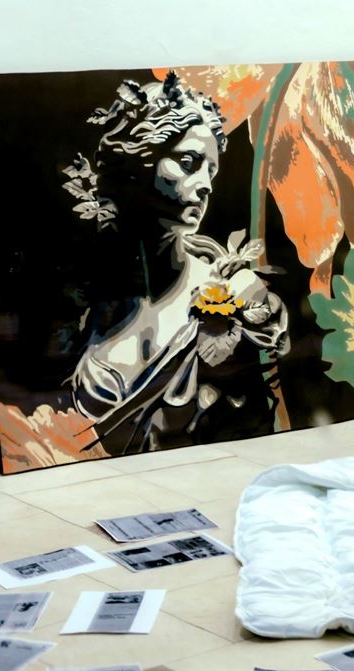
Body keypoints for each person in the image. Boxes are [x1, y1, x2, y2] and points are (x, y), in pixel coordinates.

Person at [61, 71, 289, 454]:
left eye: (211, 171)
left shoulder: (231, 288)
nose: (206, 185)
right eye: (188, 162)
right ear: (139, 158)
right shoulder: (78, 297)